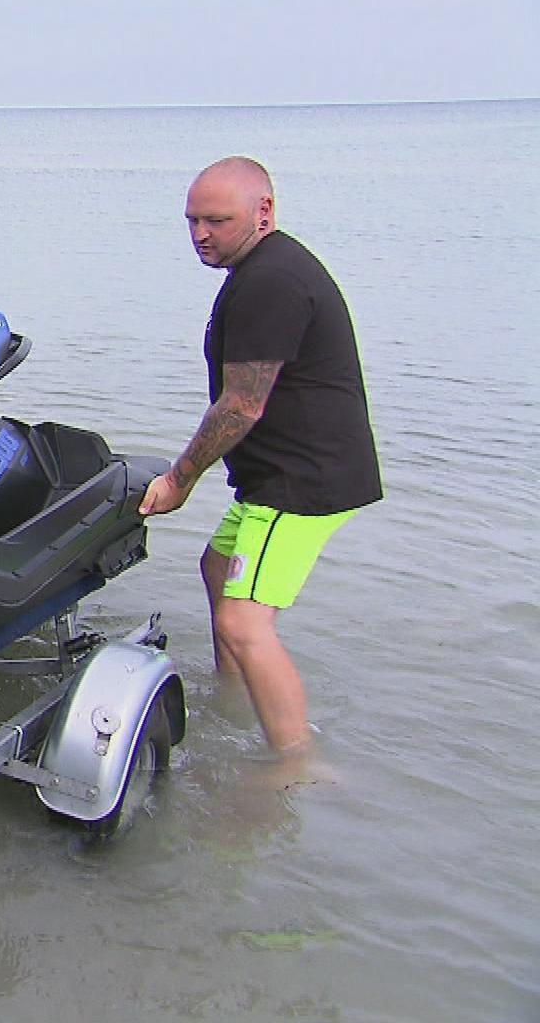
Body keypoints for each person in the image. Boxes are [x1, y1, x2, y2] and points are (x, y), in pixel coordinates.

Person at [140, 156, 383, 755]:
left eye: (217, 221)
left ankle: (294, 764)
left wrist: (179, 478)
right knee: (218, 568)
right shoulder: (260, 269)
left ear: (264, 211)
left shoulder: (272, 281)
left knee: (243, 622)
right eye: (192, 220)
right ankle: (234, 700)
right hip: (277, 477)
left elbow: (242, 405)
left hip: (299, 484)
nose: (200, 234)